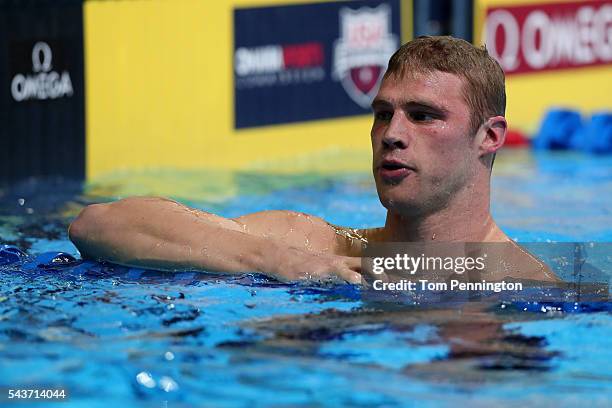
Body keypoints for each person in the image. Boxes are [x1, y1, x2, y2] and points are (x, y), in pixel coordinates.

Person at [68, 36, 559, 284]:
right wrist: (277, 260)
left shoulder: (529, 287)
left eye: (424, 116)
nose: (392, 135)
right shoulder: (317, 247)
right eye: (383, 114)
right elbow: (97, 224)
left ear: (489, 137)